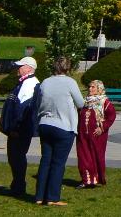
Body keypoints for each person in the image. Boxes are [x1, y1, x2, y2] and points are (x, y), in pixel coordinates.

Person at [33, 57, 85, 206]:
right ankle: (52, 198)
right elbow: (80, 103)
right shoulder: (70, 82)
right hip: (63, 125)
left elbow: (38, 102)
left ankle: (39, 196)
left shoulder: (45, 82)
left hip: (45, 123)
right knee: (58, 163)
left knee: (45, 161)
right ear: (68, 68)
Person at [0, 56, 40, 198]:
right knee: (14, 157)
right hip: (17, 128)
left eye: (20, 66)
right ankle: (17, 185)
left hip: (20, 129)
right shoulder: (24, 82)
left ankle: (18, 187)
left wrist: (16, 128)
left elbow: (23, 109)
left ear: (29, 68)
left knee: (17, 156)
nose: (18, 68)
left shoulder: (30, 84)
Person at [76, 79, 117, 187]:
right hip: (83, 134)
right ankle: (86, 180)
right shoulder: (85, 102)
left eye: (93, 87)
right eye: (89, 87)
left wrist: (102, 128)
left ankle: (97, 178)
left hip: (97, 135)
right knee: (83, 156)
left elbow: (111, 116)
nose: (90, 89)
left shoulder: (104, 102)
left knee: (96, 156)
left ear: (99, 89)